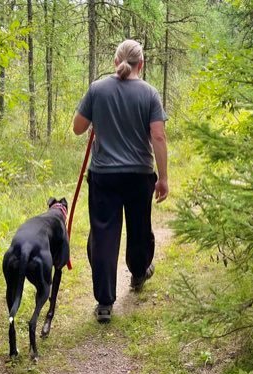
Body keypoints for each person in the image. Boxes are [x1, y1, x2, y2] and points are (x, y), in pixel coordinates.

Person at [73, 39, 168, 323]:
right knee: (139, 228)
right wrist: (163, 178)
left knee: (103, 234)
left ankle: (104, 302)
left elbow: (78, 128)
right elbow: (158, 137)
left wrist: (96, 120)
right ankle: (138, 274)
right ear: (142, 64)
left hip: (103, 175)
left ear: (116, 62)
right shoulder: (150, 94)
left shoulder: (97, 89)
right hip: (139, 175)